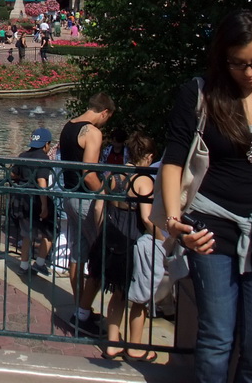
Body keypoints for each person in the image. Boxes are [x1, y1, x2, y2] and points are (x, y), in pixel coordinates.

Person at [161, 9, 252, 382]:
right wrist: (177, 223)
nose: (249, 73)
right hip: (210, 230)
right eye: (238, 64)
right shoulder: (199, 94)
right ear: (222, 59)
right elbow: (175, 160)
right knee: (215, 341)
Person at [94, 132, 159, 362]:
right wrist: (163, 239)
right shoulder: (143, 181)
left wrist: (100, 234)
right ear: (149, 156)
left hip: (113, 238)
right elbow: (147, 218)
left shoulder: (114, 175)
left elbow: (98, 208)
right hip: (133, 240)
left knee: (118, 292)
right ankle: (135, 346)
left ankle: (112, 344)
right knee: (139, 298)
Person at [58, 92, 116, 337]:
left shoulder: (68, 126)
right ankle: (82, 315)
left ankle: (80, 307)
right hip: (86, 200)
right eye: (107, 119)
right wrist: (108, 195)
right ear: (104, 112)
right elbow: (89, 173)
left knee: (77, 253)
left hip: (69, 197)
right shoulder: (93, 132)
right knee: (100, 254)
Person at [12, 128, 54, 277]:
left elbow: (13, 173)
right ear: (46, 144)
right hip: (36, 200)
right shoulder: (43, 158)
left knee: (27, 234)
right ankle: (40, 263)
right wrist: (44, 205)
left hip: (22, 199)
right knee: (49, 232)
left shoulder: (23, 155)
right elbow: (42, 180)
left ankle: (23, 266)